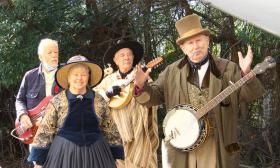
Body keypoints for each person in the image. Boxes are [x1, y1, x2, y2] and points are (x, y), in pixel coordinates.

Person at [134, 14, 265, 168]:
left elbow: (251, 94)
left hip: (217, 143)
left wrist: (246, 74)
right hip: (183, 145)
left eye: (199, 40)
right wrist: (141, 87)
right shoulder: (171, 71)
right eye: (190, 43)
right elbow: (153, 97)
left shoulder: (227, 68)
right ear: (183, 48)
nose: (195, 46)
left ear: (208, 40)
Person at [28, 55, 122, 168]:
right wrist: (38, 162)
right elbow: (45, 131)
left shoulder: (100, 100)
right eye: (75, 74)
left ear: (88, 77)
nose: (79, 78)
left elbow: (110, 129)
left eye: (83, 74)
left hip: (98, 154)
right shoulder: (57, 101)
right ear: (68, 77)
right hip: (63, 155)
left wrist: (115, 156)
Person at [94, 40, 159, 168]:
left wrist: (140, 87)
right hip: (117, 133)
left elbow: (154, 101)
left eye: (129, 54)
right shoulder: (108, 81)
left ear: (133, 58)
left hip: (140, 131)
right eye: (122, 55)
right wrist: (108, 94)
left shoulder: (143, 76)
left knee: (143, 161)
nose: (126, 57)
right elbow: (94, 102)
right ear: (115, 60)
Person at [15, 38, 61, 139]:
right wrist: (22, 115)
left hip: (61, 133)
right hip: (37, 135)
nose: (54, 55)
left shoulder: (66, 73)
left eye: (56, 52)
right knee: (34, 156)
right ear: (40, 57)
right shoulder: (29, 76)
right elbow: (19, 100)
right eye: (49, 53)